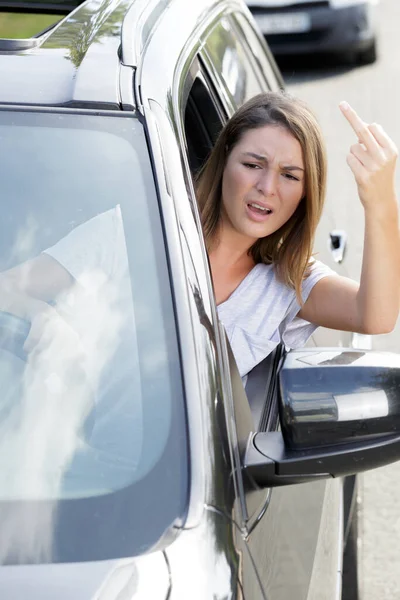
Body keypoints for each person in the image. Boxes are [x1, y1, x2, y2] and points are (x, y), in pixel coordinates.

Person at [195, 91, 400, 378]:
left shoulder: (289, 281)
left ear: (306, 193)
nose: (267, 187)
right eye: (253, 165)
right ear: (225, 157)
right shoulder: (155, 229)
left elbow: (375, 316)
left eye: (290, 176)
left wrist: (381, 202)